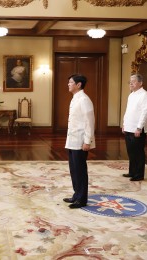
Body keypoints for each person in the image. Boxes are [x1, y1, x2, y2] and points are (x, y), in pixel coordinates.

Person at [64, 74, 95, 209]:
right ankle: (76, 195)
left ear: (79, 85)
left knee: (80, 171)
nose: (68, 84)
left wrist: (87, 141)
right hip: (73, 139)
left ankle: (82, 199)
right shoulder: (75, 98)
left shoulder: (84, 99)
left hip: (81, 141)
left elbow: (90, 122)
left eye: (71, 82)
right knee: (74, 169)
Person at [122, 74, 147, 181]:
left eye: (133, 81)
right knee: (131, 151)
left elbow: (144, 113)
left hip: (138, 129)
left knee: (138, 152)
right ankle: (132, 172)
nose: (131, 83)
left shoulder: (145, 95)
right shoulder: (131, 95)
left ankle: (139, 174)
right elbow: (128, 111)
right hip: (129, 127)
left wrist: (139, 128)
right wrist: (124, 124)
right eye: (130, 81)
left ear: (140, 83)